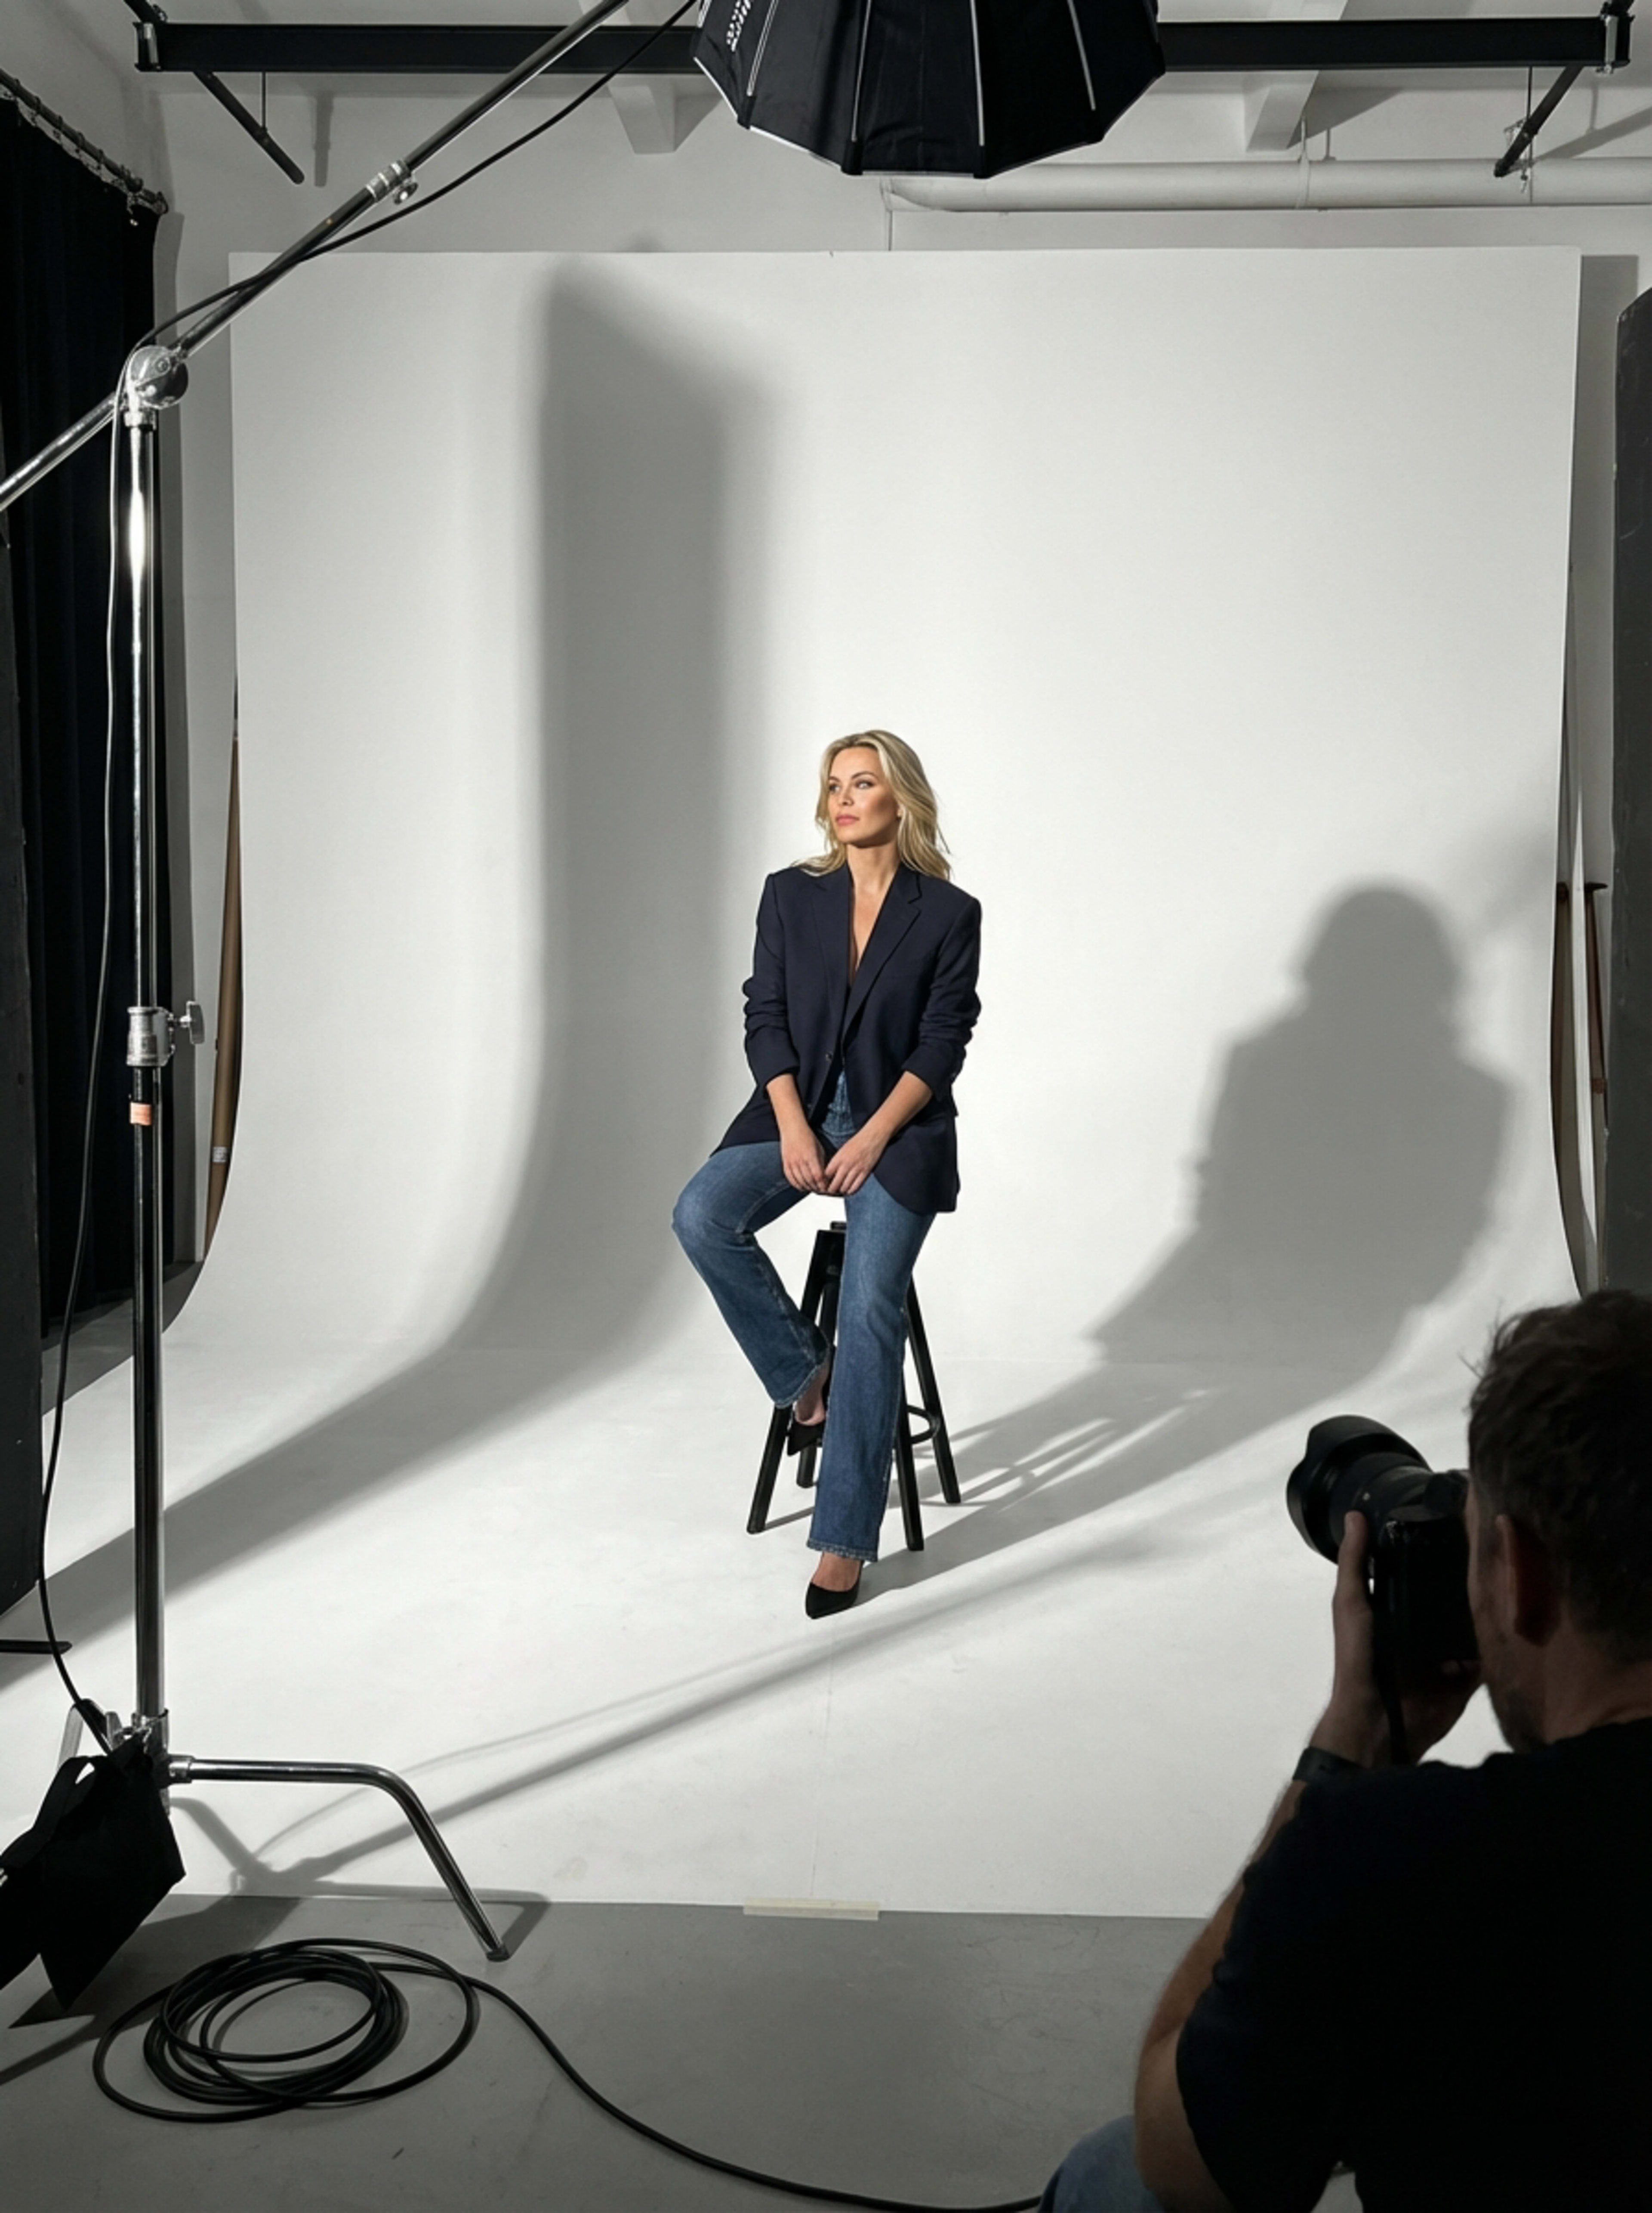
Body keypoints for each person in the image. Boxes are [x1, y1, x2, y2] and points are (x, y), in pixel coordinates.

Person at [1042, 1289, 1652, 2212]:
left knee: (1108, 2178)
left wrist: (1346, 1750)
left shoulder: (1392, 1857)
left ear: (1519, 1574)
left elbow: (1182, 2150)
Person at [672, 730, 981, 1617]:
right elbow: (763, 1016)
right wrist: (798, 1129)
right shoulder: (791, 896)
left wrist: (872, 1138)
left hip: (899, 1132)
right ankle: (811, 1380)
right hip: (796, 1113)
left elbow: (941, 1043)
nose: (844, 799)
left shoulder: (948, 914)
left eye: (864, 784)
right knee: (701, 1216)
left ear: (900, 798)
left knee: (871, 1302)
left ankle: (845, 1540)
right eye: (834, 785)